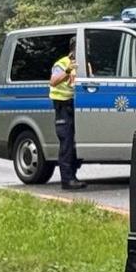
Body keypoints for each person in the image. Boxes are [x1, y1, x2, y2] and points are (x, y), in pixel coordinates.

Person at [49, 47, 84, 190]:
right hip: (62, 105)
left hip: (75, 104)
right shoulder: (62, 63)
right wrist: (68, 71)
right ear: (73, 49)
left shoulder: (83, 63)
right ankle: (67, 180)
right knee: (66, 143)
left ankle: (72, 177)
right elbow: (53, 81)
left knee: (73, 143)